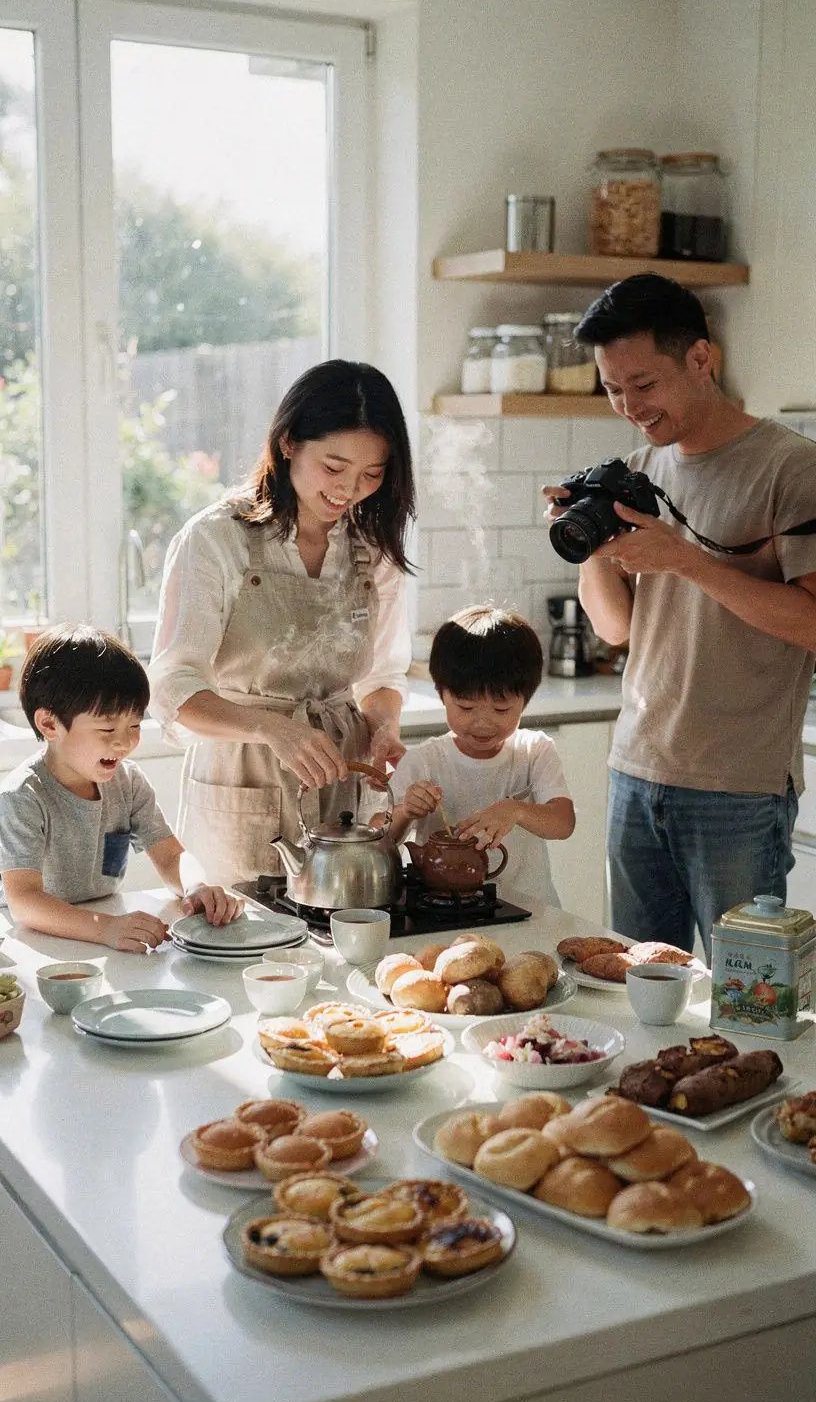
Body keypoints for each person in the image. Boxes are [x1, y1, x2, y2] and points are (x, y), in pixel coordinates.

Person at [544, 272, 816, 958]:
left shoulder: (791, 469)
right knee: (638, 986)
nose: (630, 407)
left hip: (738, 786)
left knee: (744, 993)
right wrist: (589, 547)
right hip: (636, 770)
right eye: (613, 389)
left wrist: (687, 561)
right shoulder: (638, 470)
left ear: (700, 359)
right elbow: (615, 629)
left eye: (643, 384)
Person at [148, 359, 415, 885]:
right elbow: (173, 687)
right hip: (239, 781)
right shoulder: (217, 539)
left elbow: (383, 676)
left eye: (371, 475)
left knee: (340, 925)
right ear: (288, 442)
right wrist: (270, 728)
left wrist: (384, 728)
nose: (349, 490)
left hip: (341, 780)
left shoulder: (372, 551)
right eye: (334, 468)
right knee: (238, 923)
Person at [0, 626, 244, 952]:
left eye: (134, 725)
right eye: (107, 728)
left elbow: (171, 855)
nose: (124, 742)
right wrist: (107, 928)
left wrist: (196, 885)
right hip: (37, 941)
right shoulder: (22, 796)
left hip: (102, 927)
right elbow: (24, 902)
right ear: (49, 724)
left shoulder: (128, 782)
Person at [387, 605, 575, 910]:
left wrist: (516, 811)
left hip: (532, 911)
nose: (483, 723)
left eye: (501, 710)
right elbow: (380, 839)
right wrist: (405, 810)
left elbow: (563, 823)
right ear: (442, 695)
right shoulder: (423, 762)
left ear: (525, 701)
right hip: (443, 911)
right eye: (466, 707)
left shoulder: (535, 751)